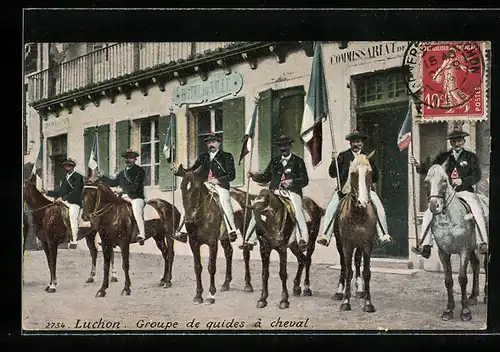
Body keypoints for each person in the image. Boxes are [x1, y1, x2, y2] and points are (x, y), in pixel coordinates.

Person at [410, 128, 488, 258]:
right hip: (446, 195)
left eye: (459, 141)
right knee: (429, 213)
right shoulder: (443, 157)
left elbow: (477, 175)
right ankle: (425, 245)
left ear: (463, 141)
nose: (456, 144)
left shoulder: (470, 157)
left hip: (465, 192)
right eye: (453, 141)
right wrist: (419, 166)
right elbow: (432, 170)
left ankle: (483, 242)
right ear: (450, 143)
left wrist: (462, 181)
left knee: (477, 210)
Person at [316, 129, 392, 247]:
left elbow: (376, 177)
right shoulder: (343, 156)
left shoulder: (367, 157)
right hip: (345, 190)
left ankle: (383, 234)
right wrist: (334, 160)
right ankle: (326, 234)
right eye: (353, 142)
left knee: (378, 205)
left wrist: (371, 167)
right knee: (332, 206)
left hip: (365, 191)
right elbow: (332, 174)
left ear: (362, 143)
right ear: (350, 143)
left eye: (358, 142)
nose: (356, 144)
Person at [239, 135, 310, 252]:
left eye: (285, 145)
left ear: (290, 146)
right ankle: (249, 240)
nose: (283, 148)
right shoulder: (274, 161)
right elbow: (266, 177)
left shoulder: (298, 161)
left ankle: (302, 239)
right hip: (274, 192)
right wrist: (254, 176)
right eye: (281, 146)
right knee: (257, 208)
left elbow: (305, 180)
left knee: (297, 211)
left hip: (291, 192)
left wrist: (291, 182)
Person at [172, 132, 241, 242]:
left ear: (219, 143)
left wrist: (218, 180)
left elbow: (231, 175)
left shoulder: (226, 156)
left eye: (214, 142)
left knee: (224, 201)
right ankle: (182, 231)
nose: (211, 144)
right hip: (203, 185)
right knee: (189, 202)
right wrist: (178, 171)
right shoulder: (203, 157)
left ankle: (231, 230)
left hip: (220, 186)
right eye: (209, 143)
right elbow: (192, 171)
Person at [100, 148, 147, 244]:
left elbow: (136, 186)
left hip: (136, 197)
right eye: (127, 158)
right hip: (123, 196)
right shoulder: (123, 172)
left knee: (137, 211)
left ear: (135, 159)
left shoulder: (140, 171)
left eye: (131, 158)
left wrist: (122, 189)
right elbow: (113, 183)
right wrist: (102, 176)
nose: (128, 160)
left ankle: (142, 234)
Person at [44, 158, 84, 249]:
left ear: (73, 167)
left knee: (72, 217)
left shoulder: (78, 177)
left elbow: (77, 191)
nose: (67, 167)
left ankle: (73, 239)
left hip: (74, 202)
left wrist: (64, 198)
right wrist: (47, 192)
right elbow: (60, 192)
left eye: (69, 166)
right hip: (64, 201)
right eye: (66, 166)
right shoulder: (65, 178)